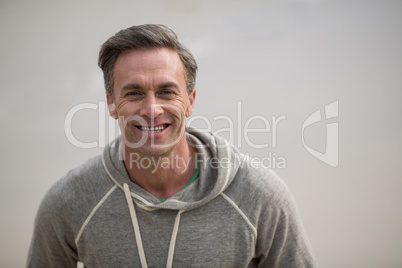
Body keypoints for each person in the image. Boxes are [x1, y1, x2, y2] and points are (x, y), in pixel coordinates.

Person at [27, 24, 316, 267]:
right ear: (111, 103)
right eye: (134, 92)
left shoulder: (259, 196)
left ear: (190, 101)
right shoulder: (69, 202)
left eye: (166, 92)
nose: (152, 109)